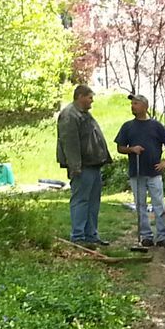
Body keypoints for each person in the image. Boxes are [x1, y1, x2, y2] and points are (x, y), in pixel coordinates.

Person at [114, 94, 165, 249]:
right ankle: (146, 236)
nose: (133, 106)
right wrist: (131, 149)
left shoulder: (156, 126)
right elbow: (120, 148)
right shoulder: (127, 126)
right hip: (137, 172)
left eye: (136, 103)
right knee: (140, 204)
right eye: (132, 104)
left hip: (154, 172)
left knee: (158, 204)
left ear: (145, 106)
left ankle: (162, 236)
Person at [56, 84, 112, 246]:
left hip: (94, 165)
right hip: (83, 167)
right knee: (80, 200)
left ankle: (91, 234)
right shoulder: (70, 115)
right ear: (80, 96)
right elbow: (70, 143)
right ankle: (78, 236)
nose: (91, 101)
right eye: (89, 97)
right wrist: (75, 167)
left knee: (93, 201)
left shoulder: (84, 114)